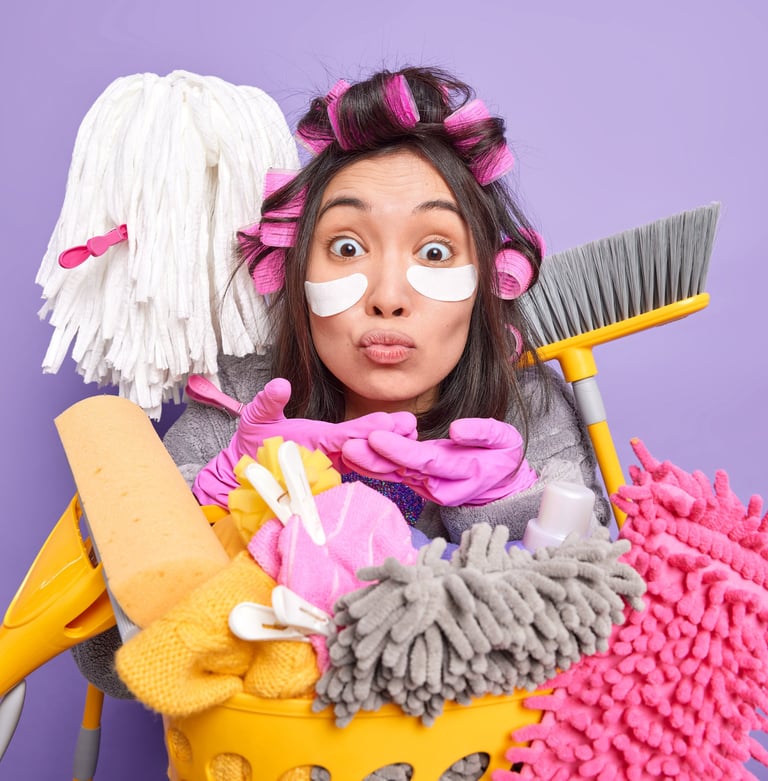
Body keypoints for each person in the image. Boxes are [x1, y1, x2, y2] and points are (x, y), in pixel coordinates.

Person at [163, 65, 610, 546]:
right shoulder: (235, 403)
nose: (388, 299)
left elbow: (590, 600)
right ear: (296, 271)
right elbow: (119, 593)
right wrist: (219, 493)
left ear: (488, 279)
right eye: (347, 249)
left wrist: (509, 500)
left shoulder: (529, 407)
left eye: (435, 252)